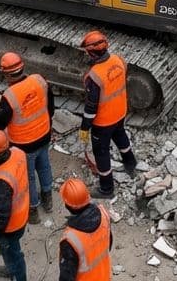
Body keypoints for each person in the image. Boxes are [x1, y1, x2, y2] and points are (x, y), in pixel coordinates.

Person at [0, 52, 55, 220]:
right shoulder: (39, 81)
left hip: (24, 144)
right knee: (44, 166)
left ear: (6, 73)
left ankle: (33, 210)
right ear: (22, 67)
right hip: (44, 135)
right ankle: (48, 199)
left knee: (29, 177)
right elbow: (51, 107)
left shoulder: (9, 97)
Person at [79, 31, 137, 199]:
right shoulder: (118, 60)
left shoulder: (94, 76)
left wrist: (84, 127)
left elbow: (91, 107)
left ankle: (106, 188)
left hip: (103, 122)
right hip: (119, 113)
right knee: (120, 137)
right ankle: (130, 163)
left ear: (91, 52)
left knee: (101, 153)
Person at [0, 129, 29, 281]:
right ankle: (11, 268)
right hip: (21, 216)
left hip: (9, 227)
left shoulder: (2, 180)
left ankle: (16, 274)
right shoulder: (18, 153)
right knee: (10, 250)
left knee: (13, 253)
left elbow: (3, 213)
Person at [57, 178, 112, 281]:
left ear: (67, 205)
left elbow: (67, 277)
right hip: (104, 276)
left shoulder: (71, 240)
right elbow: (108, 245)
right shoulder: (103, 214)